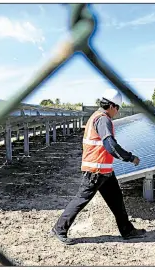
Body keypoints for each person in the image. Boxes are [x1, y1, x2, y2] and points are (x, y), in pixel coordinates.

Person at [50, 88, 146, 245]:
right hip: (96, 171)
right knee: (81, 199)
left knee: (117, 200)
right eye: (118, 108)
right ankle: (59, 228)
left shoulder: (97, 116)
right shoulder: (103, 119)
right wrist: (130, 157)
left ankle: (127, 230)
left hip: (104, 170)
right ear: (112, 106)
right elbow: (111, 145)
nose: (118, 112)